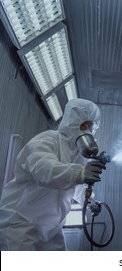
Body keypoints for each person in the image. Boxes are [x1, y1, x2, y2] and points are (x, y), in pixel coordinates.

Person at [0, 98, 106, 250]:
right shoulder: (48, 139)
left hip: (52, 229)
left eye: (91, 127)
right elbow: (44, 169)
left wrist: (89, 202)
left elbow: (75, 186)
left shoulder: (79, 155)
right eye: (84, 124)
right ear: (72, 121)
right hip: (21, 224)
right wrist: (80, 173)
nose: (87, 131)